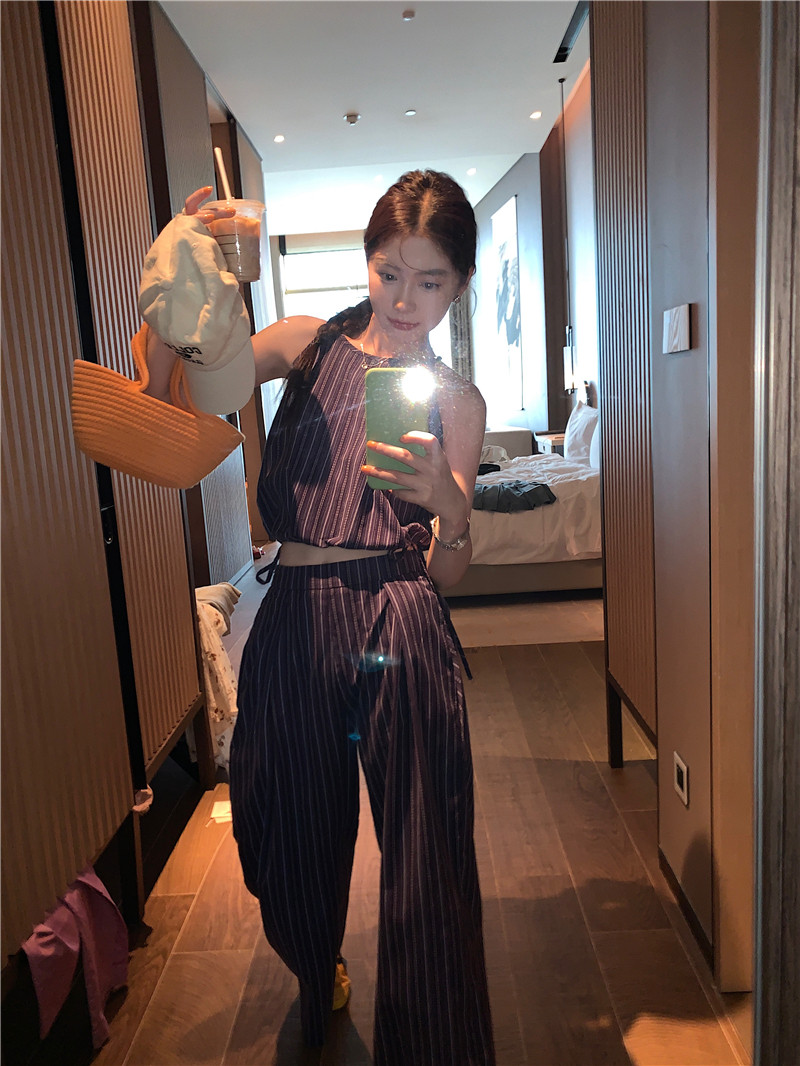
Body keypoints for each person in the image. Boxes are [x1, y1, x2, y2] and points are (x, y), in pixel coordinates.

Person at [148, 170, 495, 1066]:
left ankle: (432, 1043)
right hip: (296, 615)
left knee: (426, 845)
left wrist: (449, 508)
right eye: (389, 273)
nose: (406, 300)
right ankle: (315, 962)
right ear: (366, 262)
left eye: (431, 281)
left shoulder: (457, 403)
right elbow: (188, 391)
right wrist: (192, 276)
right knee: (281, 819)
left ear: (459, 284)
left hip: (404, 618)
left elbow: (447, 572)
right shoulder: (307, 343)